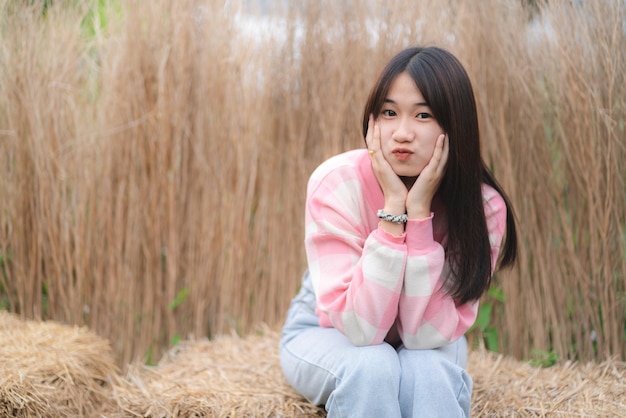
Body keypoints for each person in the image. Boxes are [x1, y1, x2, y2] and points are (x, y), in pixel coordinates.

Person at [279, 46, 518, 417]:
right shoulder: (336, 182)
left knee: (428, 371)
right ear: (373, 121)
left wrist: (419, 214)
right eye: (389, 113)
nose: (402, 133)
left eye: (423, 115)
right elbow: (362, 332)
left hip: (433, 335)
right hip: (330, 329)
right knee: (372, 367)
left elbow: (423, 338)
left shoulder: (483, 207)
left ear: (456, 126)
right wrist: (393, 209)